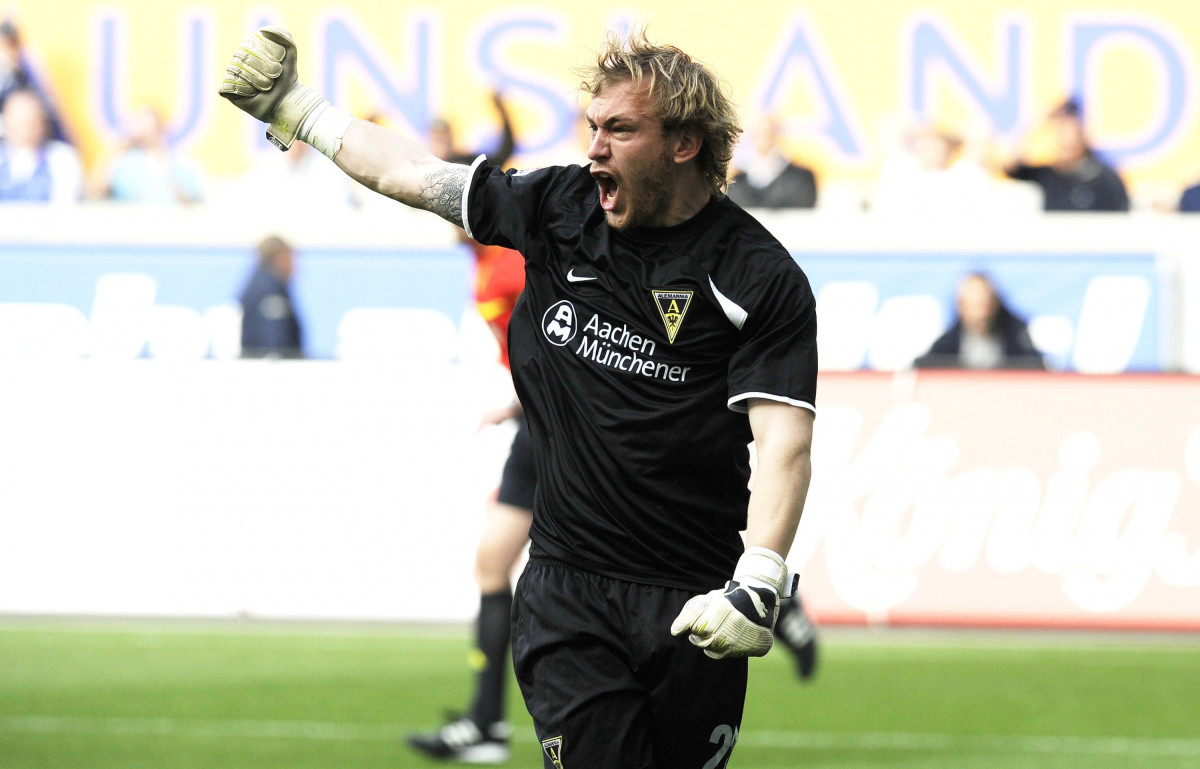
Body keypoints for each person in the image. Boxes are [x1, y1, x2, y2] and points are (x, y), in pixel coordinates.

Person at [220, 26, 817, 769]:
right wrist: (299, 110)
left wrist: (759, 578)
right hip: (569, 596)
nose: (595, 148)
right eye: (593, 126)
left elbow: (784, 439)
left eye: (620, 130)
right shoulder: (560, 205)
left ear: (684, 144)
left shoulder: (759, 275)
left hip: (693, 596)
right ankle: (484, 720)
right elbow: (413, 173)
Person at [1000, 98, 1129, 212]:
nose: (1066, 139)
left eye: (1072, 133)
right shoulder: (1048, 175)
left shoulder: (1104, 177)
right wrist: (1036, 122)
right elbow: (1008, 163)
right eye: (1061, 132)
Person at [914, 272, 1045, 370]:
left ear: (994, 303)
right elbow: (924, 369)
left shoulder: (1016, 338)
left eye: (983, 304)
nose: (979, 313)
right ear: (960, 305)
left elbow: (1036, 368)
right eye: (972, 305)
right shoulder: (947, 344)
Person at [90, 104, 204, 204]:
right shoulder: (125, 162)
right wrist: (114, 150)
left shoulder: (178, 163)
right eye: (139, 124)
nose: (145, 131)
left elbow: (190, 201)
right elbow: (96, 191)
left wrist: (164, 169)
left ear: (159, 130)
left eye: (150, 127)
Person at [0, 86, 82, 203]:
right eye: (18, 120)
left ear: (43, 122)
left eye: (31, 120)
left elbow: (64, 204)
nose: (25, 128)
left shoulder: (62, 158)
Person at [726, 112, 817, 209]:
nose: (763, 139)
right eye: (758, 134)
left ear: (777, 135)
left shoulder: (800, 179)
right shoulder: (737, 184)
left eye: (768, 133)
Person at [239, 235, 304, 359]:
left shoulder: (257, 283)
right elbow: (274, 339)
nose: (295, 266)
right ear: (280, 257)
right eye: (291, 257)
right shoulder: (270, 290)